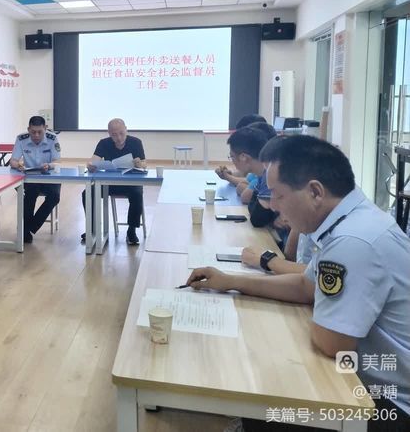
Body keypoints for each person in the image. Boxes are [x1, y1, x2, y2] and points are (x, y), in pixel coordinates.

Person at [187, 136, 410, 431]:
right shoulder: (353, 220)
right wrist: (231, 281)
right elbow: (306, 286)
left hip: (390, 403)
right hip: (372, 382)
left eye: (278, 195)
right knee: (266, 387)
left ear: (315, 192)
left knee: (269, 399)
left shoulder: (352, 241)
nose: (273, 205)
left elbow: (332, 342)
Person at [83, 118, 146, 245]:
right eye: (114, 135)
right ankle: (92, 228)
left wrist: (139, 164)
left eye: (121, 133)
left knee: (137, 194)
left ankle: (132, 230)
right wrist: (90, 165)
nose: (119, 137)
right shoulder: (104, 143)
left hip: (130, 183)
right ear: (109, 133)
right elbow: (93, 160)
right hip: (108, 183)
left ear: (126, 129)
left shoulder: (136, 142)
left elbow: (144, 164)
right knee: (87, 193)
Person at [10, 116, 61, 244]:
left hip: (49, 176)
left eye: (40, 132)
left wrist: (49, 165)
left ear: (45, 128)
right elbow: (13, 161)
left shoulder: (52, 138)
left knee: (55, 196)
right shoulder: (21, 139)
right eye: (33, 132)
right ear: (28, 129)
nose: (36, 135)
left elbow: (57, 161)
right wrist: (18, 165)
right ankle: (26, 232)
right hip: (30, 178)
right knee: (30, 194)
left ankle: (29, 227)